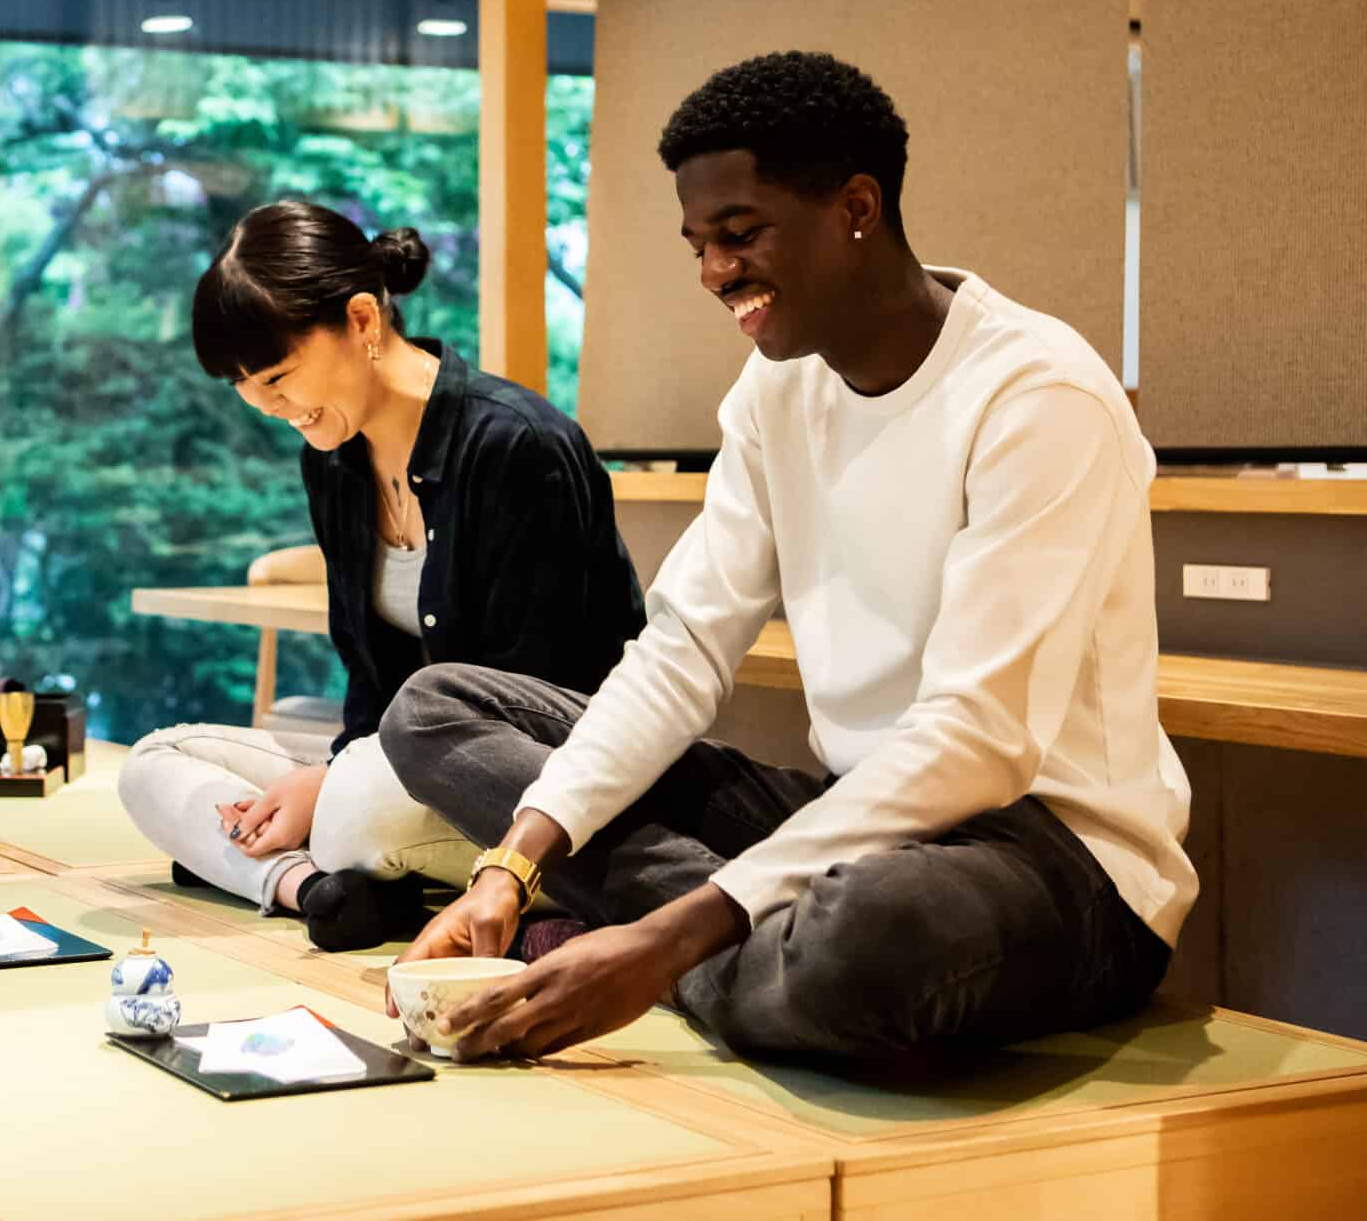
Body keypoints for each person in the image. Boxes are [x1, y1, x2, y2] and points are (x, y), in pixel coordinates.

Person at [384, 51, 1195, 1059]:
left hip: (1052, 857)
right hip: (853, 819)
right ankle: (712, 945)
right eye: (698, 246)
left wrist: (665, 935)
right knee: (438, 711)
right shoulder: (776, 393)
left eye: (739, 234)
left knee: (867, 939)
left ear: (855, 207)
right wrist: (511, 863)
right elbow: (682, 650)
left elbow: (977, 738)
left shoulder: (1037, 396)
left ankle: (663, 950)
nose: (715, 273)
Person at [117, 199, 646, 951]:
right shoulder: (333, 459)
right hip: (393, 762)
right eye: (245, 387)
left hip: (534, 786)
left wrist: (333, 783)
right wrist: (333, 770)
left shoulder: (515, 446)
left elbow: (538, 698)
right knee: (152, 764)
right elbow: (369, 683)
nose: (270, 408)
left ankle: (337, 861)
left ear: (364, 320)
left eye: (277, 375)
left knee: (354, 809)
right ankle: (318, 890)